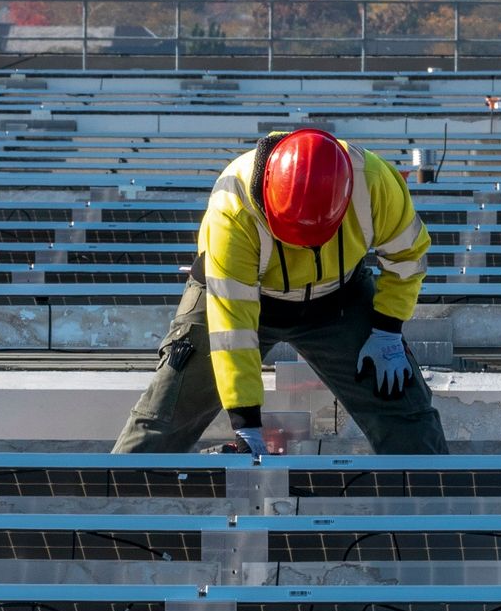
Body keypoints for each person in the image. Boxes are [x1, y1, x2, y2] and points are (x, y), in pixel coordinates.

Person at [113, 127, 448, 455]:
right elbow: (233, 329)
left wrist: (387, 329)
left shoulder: (374, 181)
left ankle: (433, 502)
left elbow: (408, 257)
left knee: (407, 415)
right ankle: (114, 499)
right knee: (165, 416)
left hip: (340, 299)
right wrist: (246, 421)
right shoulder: (233, 207)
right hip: (241, 298)